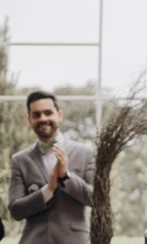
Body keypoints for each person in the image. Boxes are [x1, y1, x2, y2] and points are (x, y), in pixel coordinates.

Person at [9, 91, 95, 244]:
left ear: (59, 115)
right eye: (36, 115)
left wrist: (66, 177)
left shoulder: (85, 153)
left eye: (48, 112)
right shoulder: (19, 160)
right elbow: (16, 210)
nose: (43, 118)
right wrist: (48, 190)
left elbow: (96, 199)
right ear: (29, 119)